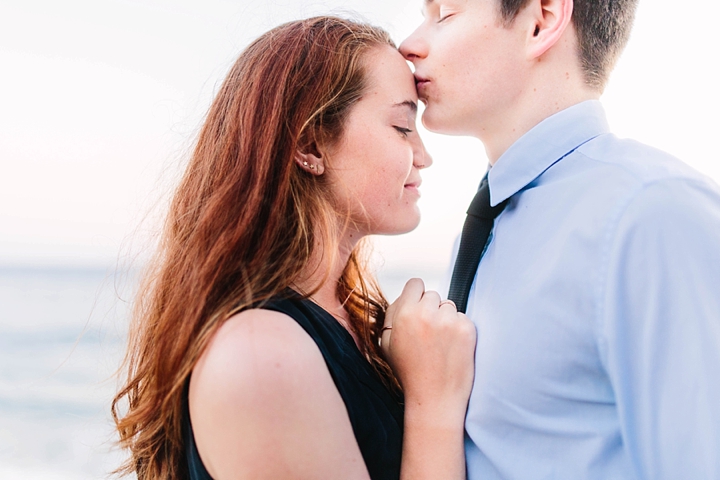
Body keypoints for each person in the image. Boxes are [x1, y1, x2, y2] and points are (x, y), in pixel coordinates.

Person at [112, 16, 476, 480]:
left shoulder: (348, 319)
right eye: (403, 126)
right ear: (310, 143)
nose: (423, 155)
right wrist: (433, 405)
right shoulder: (259, 354)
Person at [397, 0, 720, 478]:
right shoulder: (492, 222)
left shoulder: (651, 214)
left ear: (542, 20)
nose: (410, 44)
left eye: (445, 13)